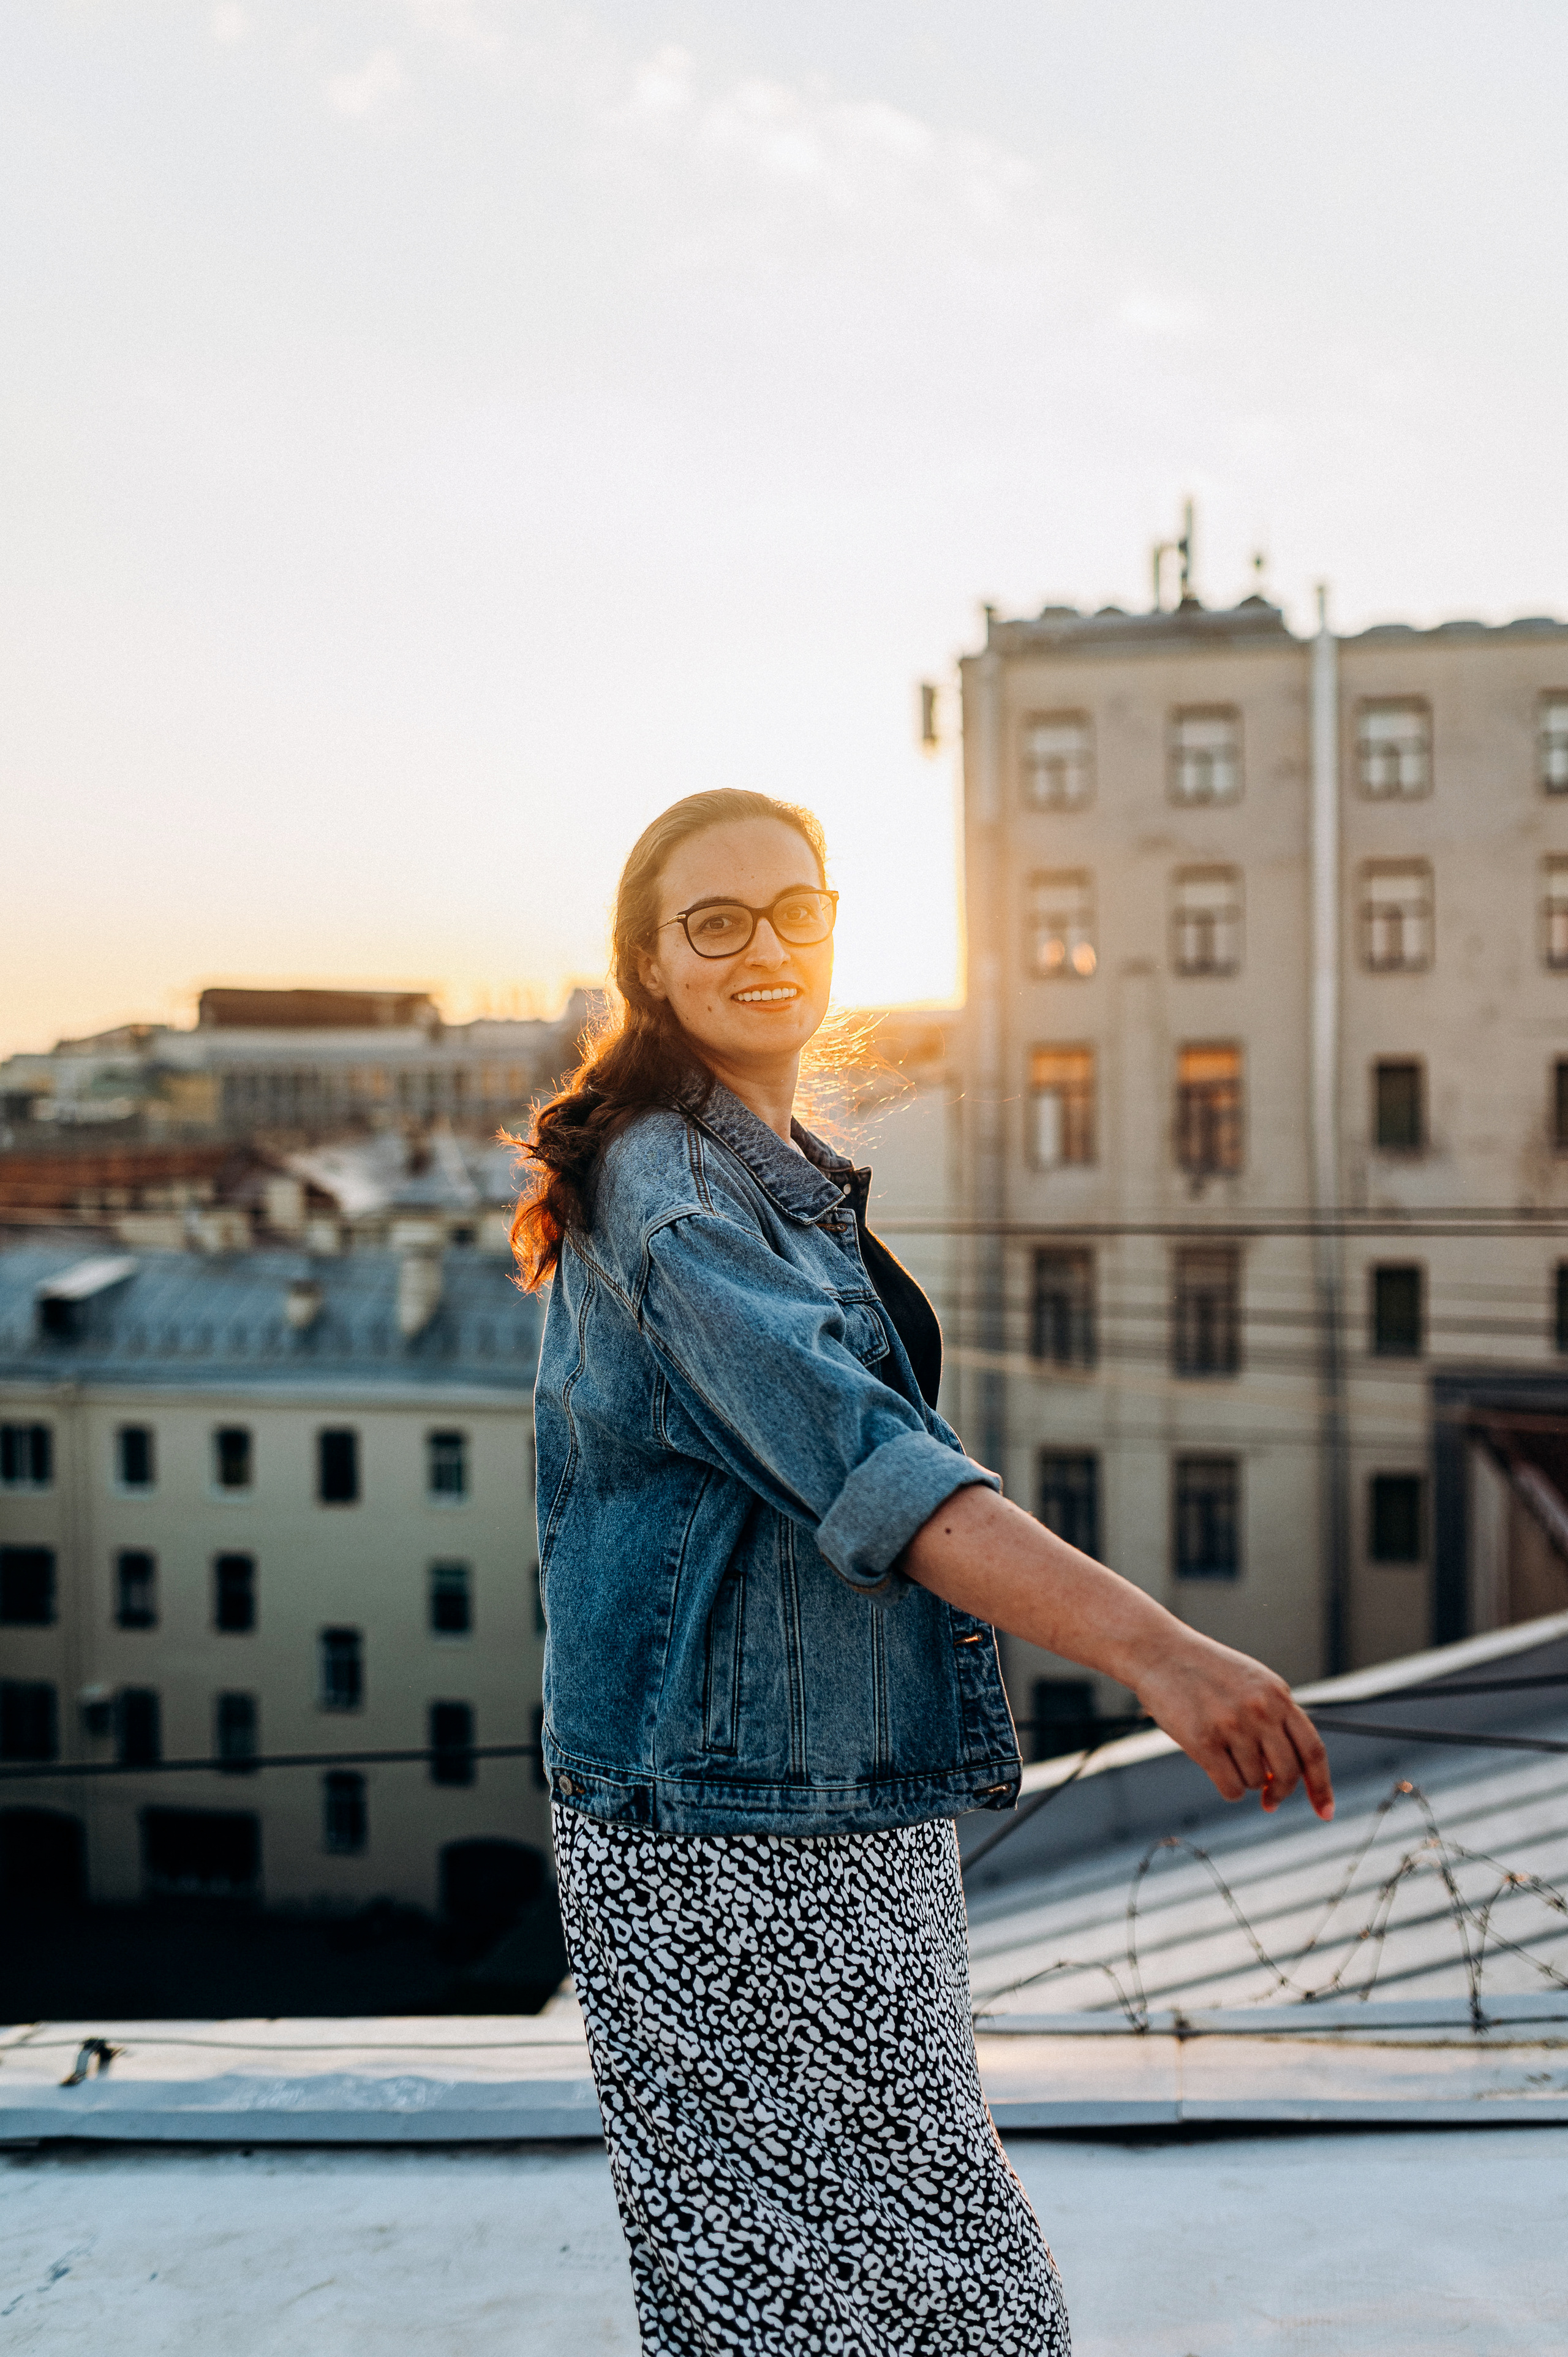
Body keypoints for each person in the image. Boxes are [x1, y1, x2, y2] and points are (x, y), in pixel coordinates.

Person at [513, 787, 1333, 2357]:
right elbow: (884, 1478)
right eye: (715, 921)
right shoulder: (680, 1199)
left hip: (795, 1790)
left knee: (803, 2278)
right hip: (721, 1823)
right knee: (901, 2286)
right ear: (649, 959)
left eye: (796, 909)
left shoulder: (754, 1169)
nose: (765, 948)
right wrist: (1160, 1652)